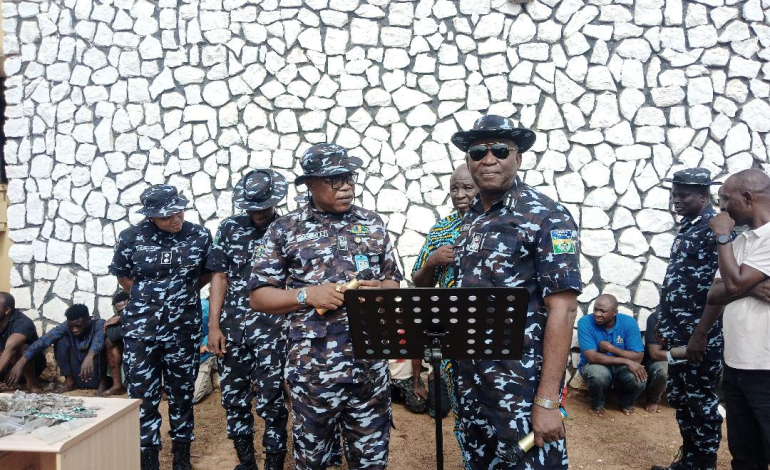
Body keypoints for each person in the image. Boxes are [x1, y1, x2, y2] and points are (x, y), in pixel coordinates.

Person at [249, 143, 402, 470]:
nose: (345, 186)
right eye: (334, 180)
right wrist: (307, 295)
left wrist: (381, 291)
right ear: (309, 184)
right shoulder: (285, 229)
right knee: (313, 461)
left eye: (349, 177)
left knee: (372, 462)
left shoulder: (372, 224)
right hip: (314, 373)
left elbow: (393, 281)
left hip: (369, 372)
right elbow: (259, 295)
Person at [450, 115, 582, 469]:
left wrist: (547, 401)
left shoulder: (547, 217)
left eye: (500, 151)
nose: (488, 159)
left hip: (521, 388)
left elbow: (564, 310)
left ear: (518, 158)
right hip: (473, 385)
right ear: (468, 161)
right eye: (478, 152)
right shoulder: (471, 218)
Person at [109, 184, 212, 470]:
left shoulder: (199, 235)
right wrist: (150, 300)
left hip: (183, 330)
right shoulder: (131, 237)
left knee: (181, 394)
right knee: (143, 397)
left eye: (178, 210)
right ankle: (148, 456)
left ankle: (182, 455)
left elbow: (205, 274)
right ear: (151, 215)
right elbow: (124, 276)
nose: (175, 218)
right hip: (143, 332)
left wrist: (180, 294)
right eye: (166, 215)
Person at [206, 169, 290, 470]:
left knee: (273, 402)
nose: (258, 212)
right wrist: (213, 326)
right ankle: (246, 463)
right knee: (234, 399)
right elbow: (219, 275)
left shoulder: (288, 227)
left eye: (263, 206)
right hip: (233, 330)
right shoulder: (228, 228)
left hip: (274, 331)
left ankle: (273, 464)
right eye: (252, 207)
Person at [692, 169, 770, 470]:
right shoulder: (741, 241)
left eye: (725, 200)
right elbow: (714, 295)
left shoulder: (747, 239)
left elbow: (733, 285)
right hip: (736, 364)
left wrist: (722, 235)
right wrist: (751, 288)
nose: (720, 209)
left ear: (747, 198)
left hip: (765, 368)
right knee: (744, 453)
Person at [652, 168, 726, 470]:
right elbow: (677, 282)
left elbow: (720, 287)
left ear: (703, 196)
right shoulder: (689, 226)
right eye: (674, 195)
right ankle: (688, 462)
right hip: (678, 332)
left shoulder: (717, 230)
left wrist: (701, 334)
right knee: (681, 399)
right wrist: (662, 323)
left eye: (683, 195)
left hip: (699, 337)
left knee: (702, 404)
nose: (676, 201)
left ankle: (704, 464)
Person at [411, 163, 477, 467]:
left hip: (493, 332)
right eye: (454, 188)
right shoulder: (441, 229)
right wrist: (432, 262)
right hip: (453, 334)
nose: (460, 195)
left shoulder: (499, 223)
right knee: (462, 410)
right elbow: (418, 280)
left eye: (468, 187)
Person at [9, 304, 108, 393]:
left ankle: (103, 383)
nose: (75, 329)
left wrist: (90, 355)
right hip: (77, 372)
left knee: (104, 344)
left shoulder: (99, 324)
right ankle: (69, 383)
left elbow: (98, 340)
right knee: (60, 340)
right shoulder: (66, 326)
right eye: (72, 326)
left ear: (88, 320)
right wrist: (21, 362)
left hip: (96, 373)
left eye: (78, 326)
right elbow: (44, 341)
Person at [577, 294, 646, 416]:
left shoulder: (628, 323)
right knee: (598, 375)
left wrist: (611, 348)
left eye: (603, 311)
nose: (597, 314)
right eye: (595, 309)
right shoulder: (585, 323)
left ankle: (626, 403)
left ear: (615, 312)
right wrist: (626, 361)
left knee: (639, 377)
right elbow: (592, 357)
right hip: (597, 365)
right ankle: (597, 405)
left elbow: (638, 357)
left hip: (621, 369)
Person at [0, 292, 44, 393]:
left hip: (26, 366)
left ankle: (31, 384)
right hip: (5, 365)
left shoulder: (23, 322)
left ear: (7, 310)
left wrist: (18, 365)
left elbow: (11, 349)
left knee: (22, 348)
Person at [101, 291, 129, 396]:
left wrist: (123, 318)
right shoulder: (116, 319)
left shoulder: (144, 314)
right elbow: (112, 334)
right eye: (120, 312)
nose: (122, 313)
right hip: (127, 351)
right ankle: (117, 386)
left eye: (125, 310)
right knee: (109, 342)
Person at [642, 311, 668, 414]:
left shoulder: (696, 317)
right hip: (659, 360)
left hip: (685, 356)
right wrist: (684, 353)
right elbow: (655, 354)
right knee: (662, 370)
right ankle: (653, 399)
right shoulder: (657, 318)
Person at [193, 299, 217, 404]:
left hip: (202, 358)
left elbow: (211, 334)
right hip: (180, 360)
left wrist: (200, 347)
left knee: (193, 397)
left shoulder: (204, 308)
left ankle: (207, 386)